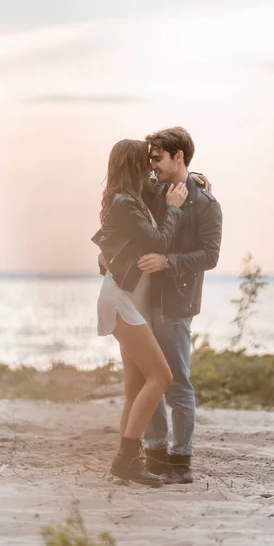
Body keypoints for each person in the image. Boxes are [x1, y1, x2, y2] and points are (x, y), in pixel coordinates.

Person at [91, 138, 189, 486]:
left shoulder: (129, 198)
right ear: (133, 165)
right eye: (145, 162)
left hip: (128, 299)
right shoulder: (123, 203)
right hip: (121, 300)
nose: (151, 167)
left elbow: (168, 180)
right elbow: (158, 242)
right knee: (161, 377)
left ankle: (127, 462)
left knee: (134, 387)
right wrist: (175, 207)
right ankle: (126, 459)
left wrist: (196, 179)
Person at [138, 127, 223, 484]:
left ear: (179, 157)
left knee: (177, 383)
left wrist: (167, 261)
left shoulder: (206, 204)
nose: (152, 165)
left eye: (158, 158)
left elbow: (211, 256)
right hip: (142, 301)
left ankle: (181, 461)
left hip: (176, 304)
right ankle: (154, 454)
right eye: (150, 158)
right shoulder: (153, 192)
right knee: (150, 380)